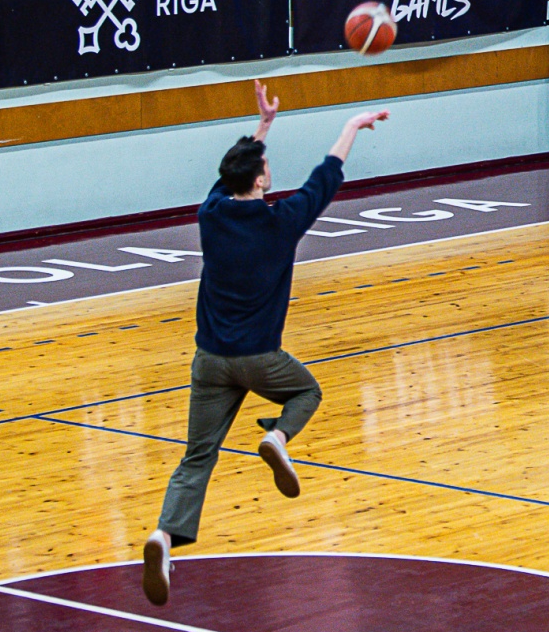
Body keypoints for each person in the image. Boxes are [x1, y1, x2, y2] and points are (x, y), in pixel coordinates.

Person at [142, 82, 391, 605]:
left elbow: (227, 176)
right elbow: (325, 177)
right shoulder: (282, 223)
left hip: (209, 361)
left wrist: (264, 126)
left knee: (196, 457)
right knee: (307, 392)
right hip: (260, 359)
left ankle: (164, 536)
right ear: (260, 179)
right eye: (265, 164)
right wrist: (351, 126)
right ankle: (277, 438)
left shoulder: (210, 215)